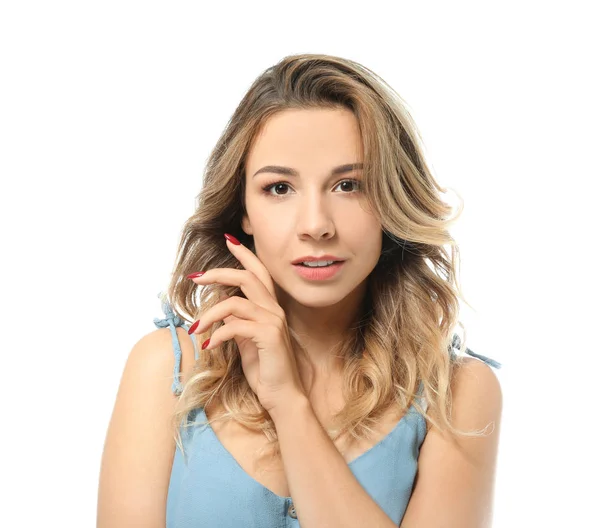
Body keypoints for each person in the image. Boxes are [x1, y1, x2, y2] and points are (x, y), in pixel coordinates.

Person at [97, 53, 503, 527]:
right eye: (279, 189)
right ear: (241, 208)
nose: (316, 226)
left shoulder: (457, 394)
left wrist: (288, 403)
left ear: (392, 201)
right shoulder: (167, 370)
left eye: (350, 185)